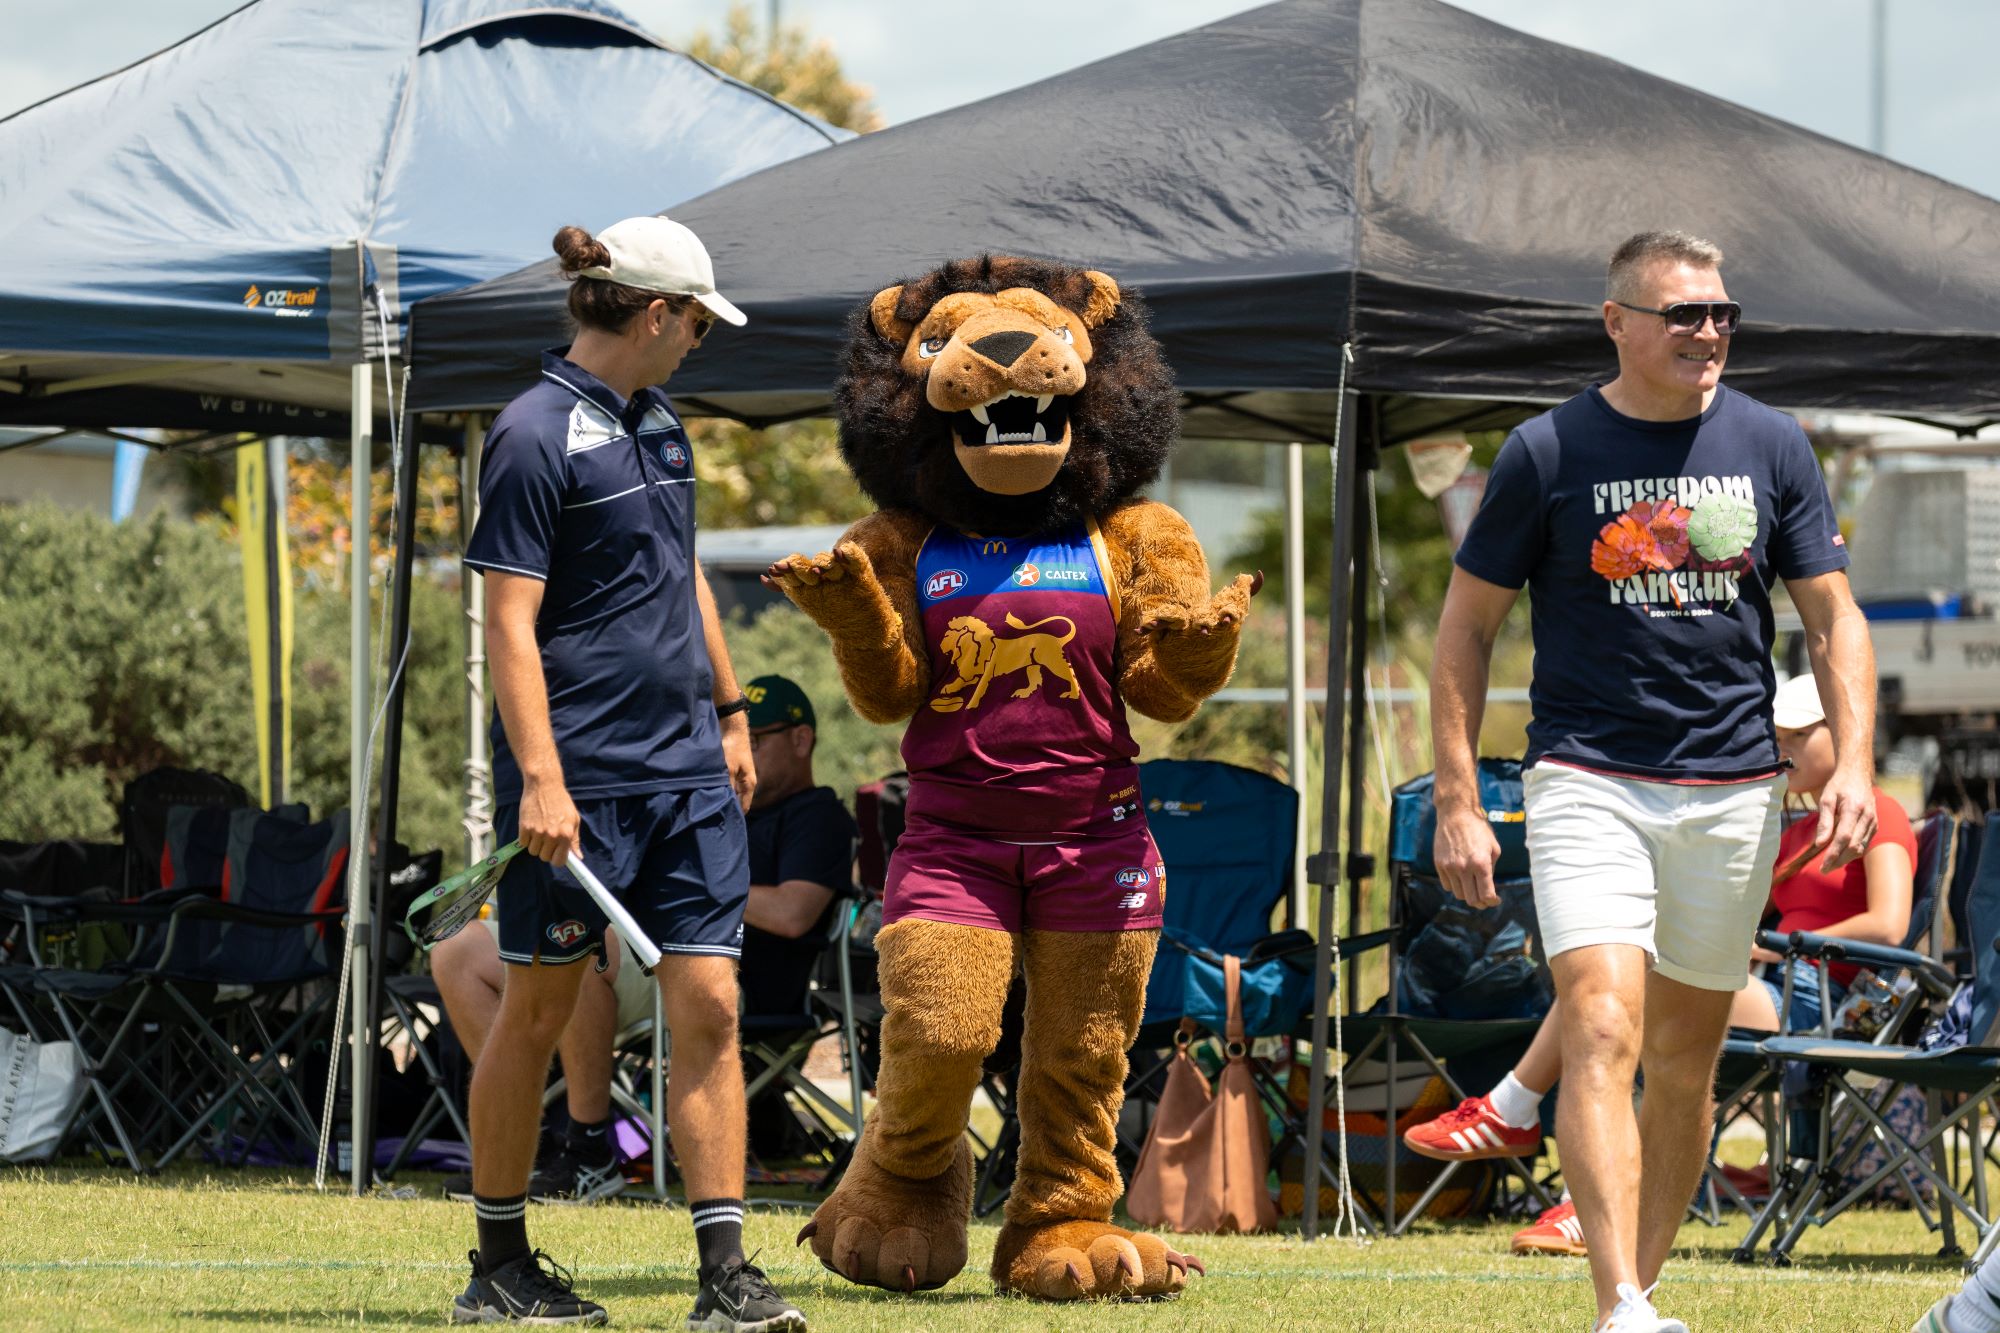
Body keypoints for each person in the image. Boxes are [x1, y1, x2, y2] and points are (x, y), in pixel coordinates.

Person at [1431, 230, 1876, 1333]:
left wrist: (1854, 761)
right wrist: (1453, 800)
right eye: (1682, 313)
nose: (1707, 331)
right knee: (1596, 1022)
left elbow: (1830, 617)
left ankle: (1642, 1282)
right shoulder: (1544, 451)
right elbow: (1463, 629)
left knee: (1682, 1063)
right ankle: (1618, 1305)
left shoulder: (1772, 444)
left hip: (1731, 788)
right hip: (1586, 777)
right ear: (1615, 321)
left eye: (1722, 312)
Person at [453, 216, 805, 1331]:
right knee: (537, 1014)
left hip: (690, 778)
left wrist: (733, 710)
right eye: (698, 320)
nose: (702, 340)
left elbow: (681, 572)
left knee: (710, 1004)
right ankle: (498, 1267)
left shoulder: (661, 422)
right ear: (657, 312)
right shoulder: (529, 433)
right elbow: (506, 625)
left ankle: (724, 1278)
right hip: (584, 787)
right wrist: (540, 780)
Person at [1408, 673, 1915, 1259]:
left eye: (1802, 735)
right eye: (1779, 735)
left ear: (1842, 732)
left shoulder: (1879, 812)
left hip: (1823, 999)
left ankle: (1517, 1112)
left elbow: (1890, 924)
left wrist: (1777, 945)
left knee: (1633, 985)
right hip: (1775, 982)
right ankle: (1570, 1180)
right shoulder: (1788, 827)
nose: (1785, 748)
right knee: (1615, 982)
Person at [433, 919, 656, 1202]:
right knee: (457, 952)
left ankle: (589, 1154)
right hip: (563, 923)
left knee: (572, 942)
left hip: (657, 948)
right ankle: (530, 1153)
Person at [735, 675, 860, 1160]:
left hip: (753, 994)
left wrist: (694, 889)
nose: (738, 753)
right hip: (673, 969)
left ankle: (585, 1144)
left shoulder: (816, 815)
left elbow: (792, 914)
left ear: (800, 739)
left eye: (754, 740)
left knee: (567, 963)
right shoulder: (732, 813)